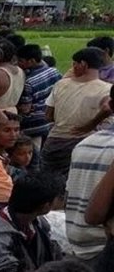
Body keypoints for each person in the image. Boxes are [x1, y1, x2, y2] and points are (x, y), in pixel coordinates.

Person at [41, 47, 113, 177]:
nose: (73, 67)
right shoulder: (106, 89)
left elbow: (48, 115)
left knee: (48, 182)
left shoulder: (61, 84)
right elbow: (107, 108)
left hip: (55, 142)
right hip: (84, 144)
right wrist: (89, 126)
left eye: (74, 63)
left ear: (83, 64)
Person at [67, 128, 114, 264]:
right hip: (103, 246)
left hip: (79, 243)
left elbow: (68, 196)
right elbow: (95, 215)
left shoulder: (84, 144)